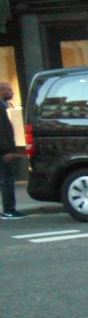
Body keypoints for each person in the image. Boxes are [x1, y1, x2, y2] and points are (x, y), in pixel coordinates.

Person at [1, 82, 24, 219]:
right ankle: (9, 209)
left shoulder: (3, 106)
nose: (12, 92)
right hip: (3, 151)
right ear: (1, 91)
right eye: (9, 90)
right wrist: (7, 150)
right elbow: (2, 131)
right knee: (7, 180)